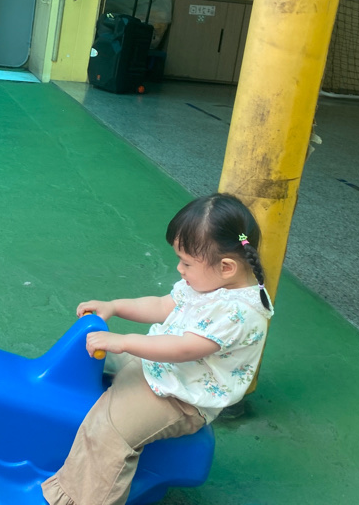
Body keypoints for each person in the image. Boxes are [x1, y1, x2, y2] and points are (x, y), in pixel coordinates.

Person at [42, 193, 274, 505]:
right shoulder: (207, 283)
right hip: (158, 365)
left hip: (180, 396)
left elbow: (184, 349)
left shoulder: (239, 312)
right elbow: (162, 305)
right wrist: (114, 306)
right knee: (86, 355)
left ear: (227, 267)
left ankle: (78, 498)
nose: (180, 269)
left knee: (110, 432)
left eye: (186, 262)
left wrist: (124, 342)